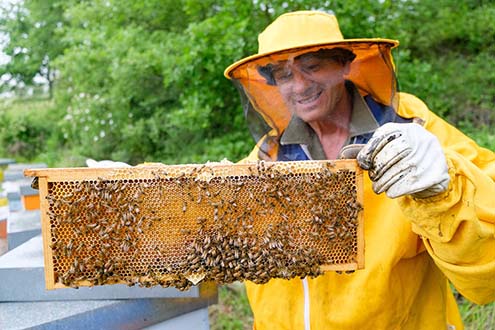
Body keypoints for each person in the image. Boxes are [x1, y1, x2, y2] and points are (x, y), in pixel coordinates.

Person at [223, 10, 495, 330]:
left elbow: (487, 269)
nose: (299, 86)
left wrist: (445, 186)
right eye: (283, 75)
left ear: (345, 65)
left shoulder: (412, 127)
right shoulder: (265, 159)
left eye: (312, 67)